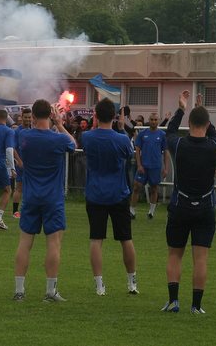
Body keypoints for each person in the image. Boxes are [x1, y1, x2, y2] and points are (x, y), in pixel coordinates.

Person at [161, 91, 216, 314]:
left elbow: (170, 131)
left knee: (175, 255)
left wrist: (181, 108)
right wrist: (201, 109)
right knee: (201, 259)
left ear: (189, 122)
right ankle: (196, 306)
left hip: (180, 206)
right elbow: (212, 132)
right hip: (205, 208)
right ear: (206, 124)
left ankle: (173, 302)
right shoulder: (215, 147)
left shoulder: (179, 145)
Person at [13, 99, 76, 302]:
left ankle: (19, 291)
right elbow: (73, 144)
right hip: (53, 198)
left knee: (25, 243)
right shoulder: (58, 139)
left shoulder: (24, 136)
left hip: (30, 197)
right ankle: (50, 291)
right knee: (54, 244)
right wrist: (59, 123)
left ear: (32, 116)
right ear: (50, 114)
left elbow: (18, 143)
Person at [81, 98, 138, 296]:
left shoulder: (87, 137)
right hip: (118, 194)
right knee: (126, 239)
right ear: (114, 117)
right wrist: (122, 129)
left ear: (95, 116)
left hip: (95, 194)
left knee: (96, 239)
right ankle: (131, 282)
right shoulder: (122, 138)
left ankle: (99, 285)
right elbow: (128, 154)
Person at [130, 113, 170, 220]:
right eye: (151, 119)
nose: (153, 121)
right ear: (149, 120)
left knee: (154, 188)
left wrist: (166, 168)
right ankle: (132, 211)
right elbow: (137, 150)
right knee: (136, 187)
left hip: (156, 166)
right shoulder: (142, 134)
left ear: (158, 120)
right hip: (143, 166)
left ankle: (151, 212)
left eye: (155, 119)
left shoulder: (162, 135)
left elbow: (166, 152)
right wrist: (139, 165)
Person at [12, 107, 32, 219]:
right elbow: (13, 148)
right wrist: (19, 161)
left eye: (29, 117)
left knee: (31, 187)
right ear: (21, 117)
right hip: (22, 164)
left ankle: (28, 210)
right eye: (26, 117)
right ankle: (15, 211)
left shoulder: (33, 130)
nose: (28, 120)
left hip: (32, 164)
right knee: (19, 187)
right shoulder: (17, 132)